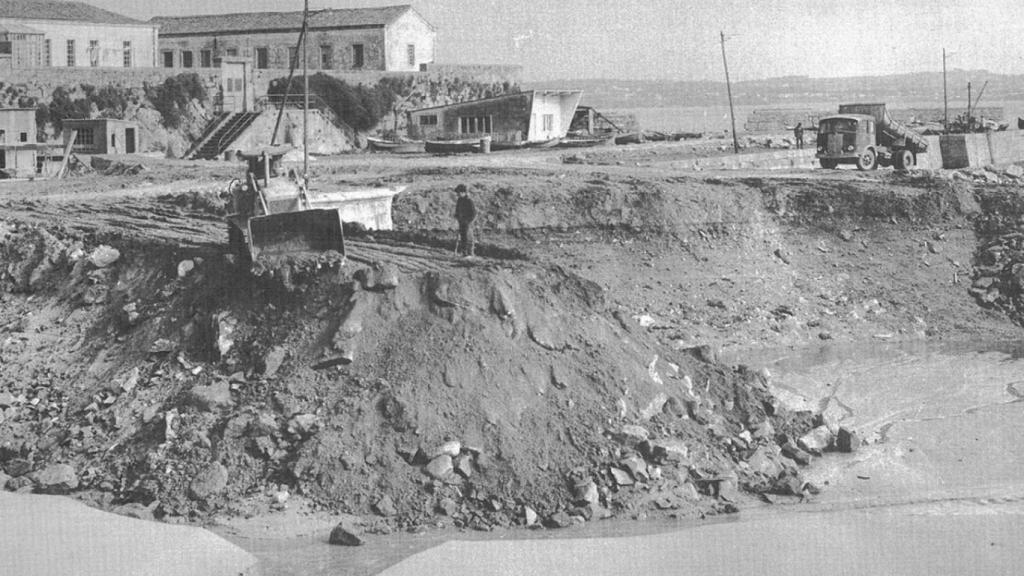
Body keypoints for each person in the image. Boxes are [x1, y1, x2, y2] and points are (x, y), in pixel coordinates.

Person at [454, 184, 477, 257]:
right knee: (463, 237)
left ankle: (470, 254)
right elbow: (457, 210)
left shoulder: (469, 201)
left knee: (468, 238)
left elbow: (473, 213)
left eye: (459, 193)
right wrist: (457, 216)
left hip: (467, 223)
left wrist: (468, 221)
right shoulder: (459, 200)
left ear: (463, 192)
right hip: (461, 222)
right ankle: (464, 253)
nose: (457, 194)